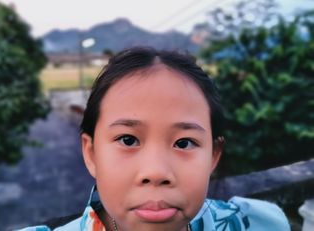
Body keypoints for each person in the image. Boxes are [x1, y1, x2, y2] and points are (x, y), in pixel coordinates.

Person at [18, 47, 290, 231]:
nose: (156, 172)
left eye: (184, 143)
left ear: (213, 155)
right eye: (127, 139)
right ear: (91, 153)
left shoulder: (256, 223)